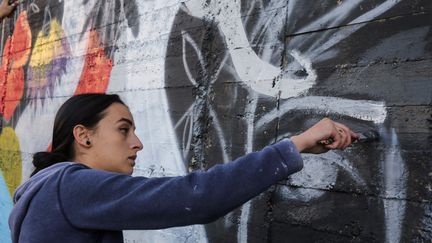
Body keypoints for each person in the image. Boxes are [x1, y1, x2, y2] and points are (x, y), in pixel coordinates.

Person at [8, 93, 358, 242]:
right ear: (83, 136)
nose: (137, 143)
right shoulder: (70, 187)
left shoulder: (45, 190)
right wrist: (294, 146)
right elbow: (195, 197)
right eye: (123, 129)